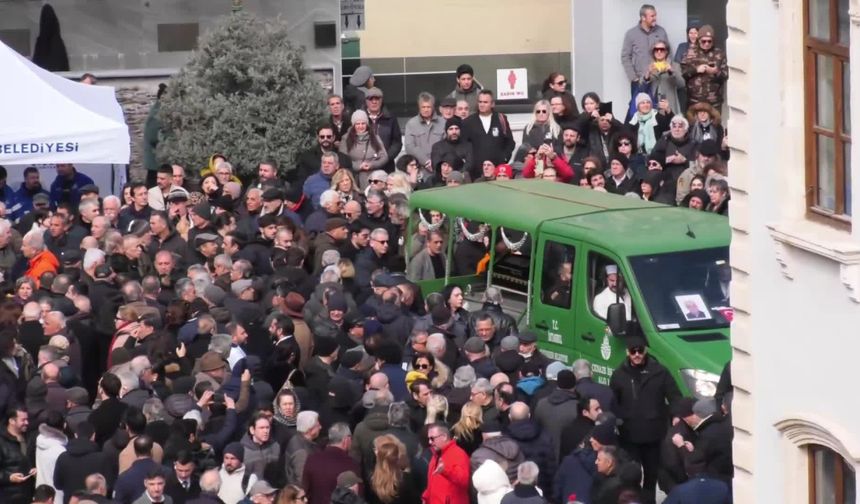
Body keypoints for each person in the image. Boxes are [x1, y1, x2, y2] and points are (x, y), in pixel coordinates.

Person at [609, 336, 681, 504]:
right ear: (627, 352)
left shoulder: (660, 372)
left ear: (645, 350)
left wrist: (676, 415)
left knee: (651, 475)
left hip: (654, 435)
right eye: (633, 351)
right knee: (630, 476)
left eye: (640, 350)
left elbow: (674, 396)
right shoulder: (619, 375)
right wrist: (617, 421)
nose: (637, 355)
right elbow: (613, 402)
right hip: (629, 435)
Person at [621, 4, 670, 119]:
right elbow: (625, 56)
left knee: (659, 112)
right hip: (640, 81)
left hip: (658, 80)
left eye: (655, 15)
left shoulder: (661, 32)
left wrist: (665, 70)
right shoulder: (631, 34)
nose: (655, 18)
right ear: (643, 17)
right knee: (638, 113)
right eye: (652, 16)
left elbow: (668, 52)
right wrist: (633, 77)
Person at [461, 90, 515, 180]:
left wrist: (504, 158)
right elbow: (463, 145)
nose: (482, 104)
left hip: (497, 172)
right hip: (476, 172)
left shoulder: (501, 119)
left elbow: (510, 142)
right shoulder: (468, 122)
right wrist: (470, 162)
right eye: (480, 102)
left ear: (492, 104)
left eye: (485, 102)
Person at [301, 423, 359, 504]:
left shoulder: (312, 459)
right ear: (346, 440)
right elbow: (356, 496)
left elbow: (306, 490)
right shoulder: (351, 464)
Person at [681, 24, 728, 111]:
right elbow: (683, 74)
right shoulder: (689, 54)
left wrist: (715, 72)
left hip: (714, 102)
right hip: (694, 101)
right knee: (693, 124)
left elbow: (725, 75)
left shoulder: (720, 54)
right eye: (704, 41)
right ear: (699, 40)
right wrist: (696, 70)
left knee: (715, 124)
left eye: (709, 41)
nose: (706, 44)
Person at [423, 424, 469, 504]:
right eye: (429, 439)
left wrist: (445, 470)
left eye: (432, 438)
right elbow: (432, 483)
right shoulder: (436, 455)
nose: (430, 442)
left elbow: (464, 480)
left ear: (444, 436)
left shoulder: (459, 454)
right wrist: (426, 497)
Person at [404, 92, 447, 173]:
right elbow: (409, 147)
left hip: (440, 167)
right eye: (423, 107)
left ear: (433, 107)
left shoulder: (443, 122)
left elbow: (447, 145)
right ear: (419, 107)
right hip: (419, 168)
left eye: (428, 107)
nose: (426, 110)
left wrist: (436, 161)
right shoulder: (411, 124)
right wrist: (426, 161)